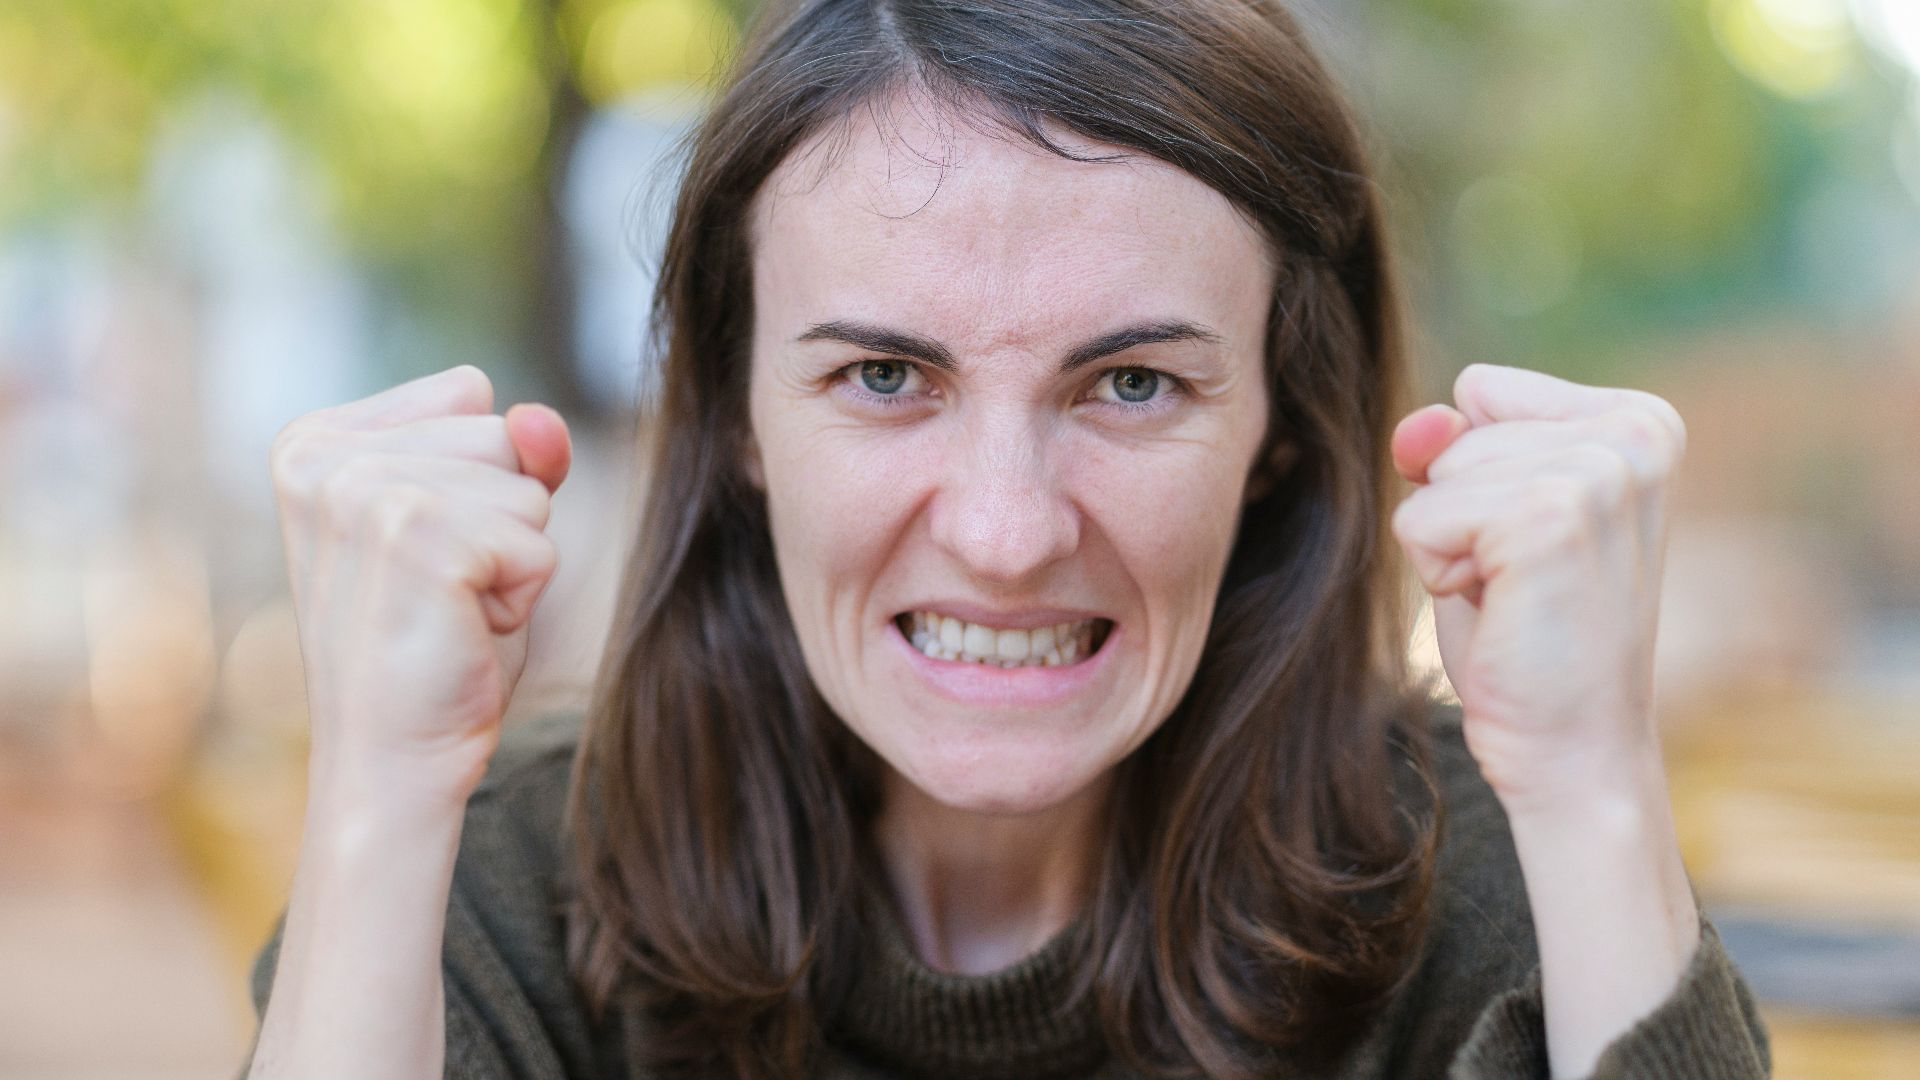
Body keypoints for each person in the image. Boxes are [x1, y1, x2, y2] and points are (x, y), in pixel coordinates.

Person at [238, 0, 1772, 1077]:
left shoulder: (1482, 887)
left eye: (1130, 383)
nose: (1005, 531)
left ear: (1283, 429)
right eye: (886, 377)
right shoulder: (509, 884)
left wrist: (1590, 792)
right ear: (740, 420)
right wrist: (378, 788)